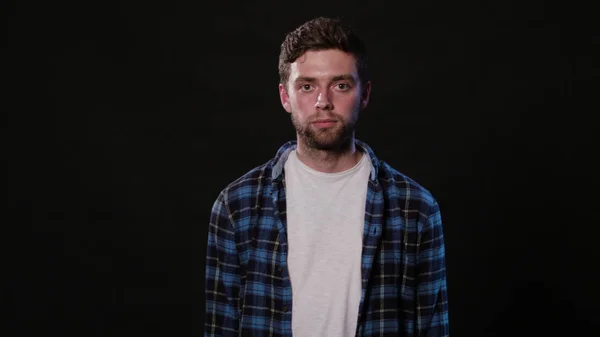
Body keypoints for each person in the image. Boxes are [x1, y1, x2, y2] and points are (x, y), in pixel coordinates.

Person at [205, 16, 449, 337]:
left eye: (340, 85)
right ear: (285, 96)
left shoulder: (416, 208)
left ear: (364, 94)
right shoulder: (236, 207)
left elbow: (432, 329)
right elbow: (220, 328)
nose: (323, 102)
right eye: (307, 86)